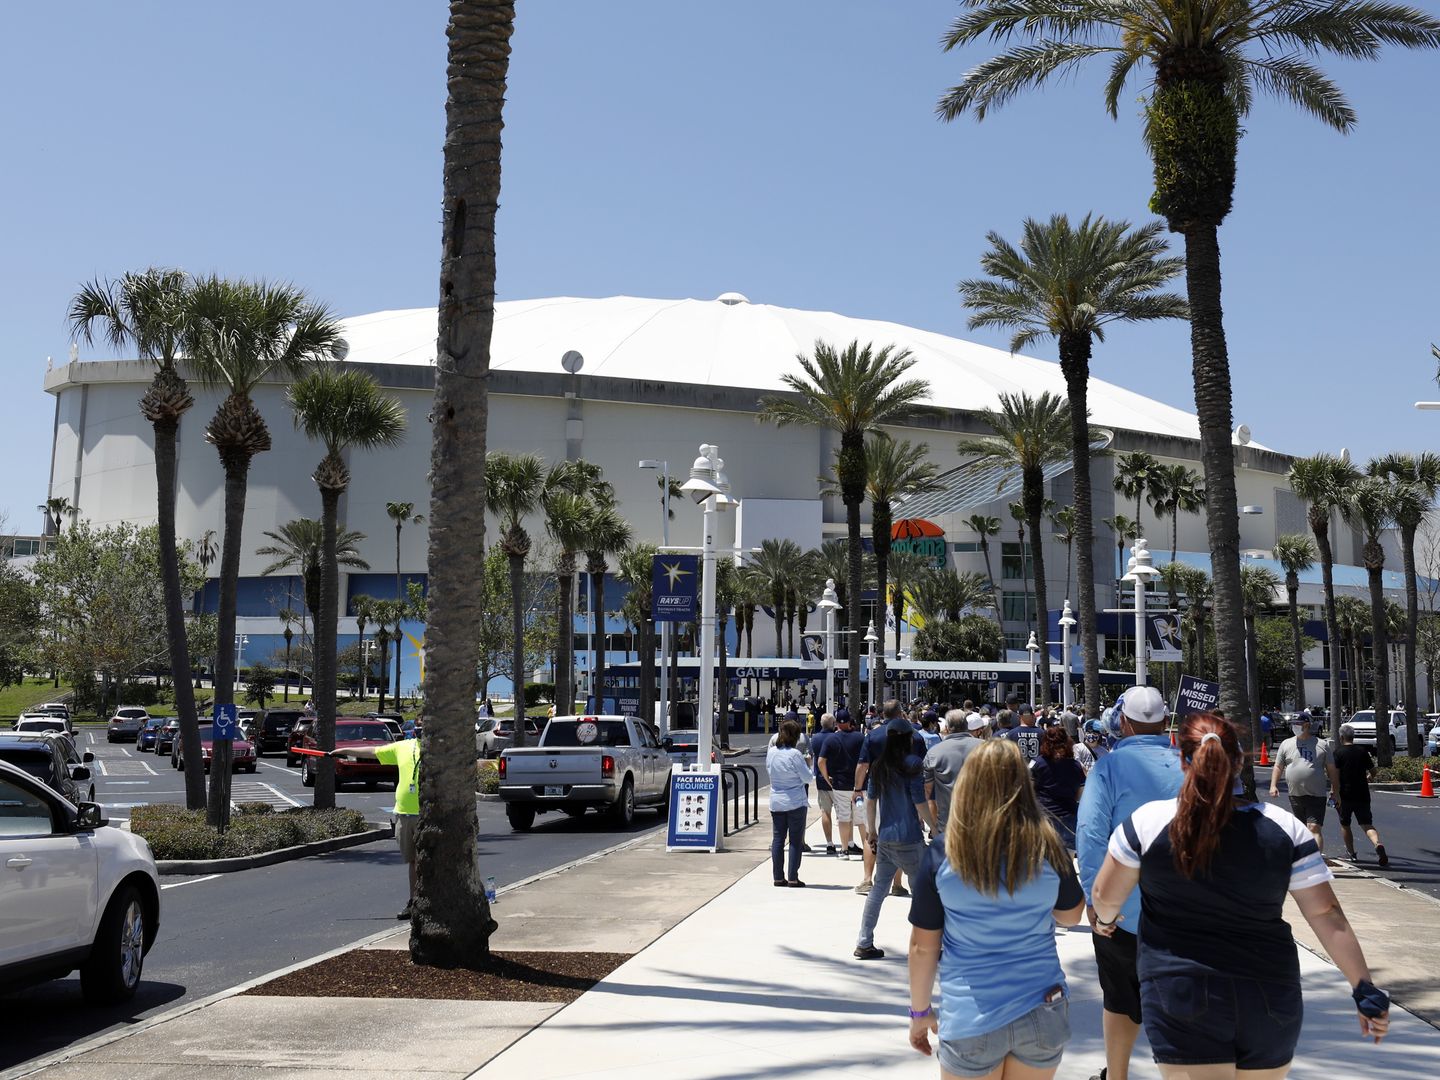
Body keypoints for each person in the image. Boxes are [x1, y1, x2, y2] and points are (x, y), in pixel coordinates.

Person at [1092, 713, 1390, 1078]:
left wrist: (1105, 922)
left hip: (1181, 992)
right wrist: (1363, 988)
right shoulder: (1285, 829)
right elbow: (1327, 914)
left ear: (1182, 759)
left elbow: (1106, 897)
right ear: (1239, 761)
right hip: (1269, 995)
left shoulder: (1146, 824)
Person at [907, 739, 1085, 1078]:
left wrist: (920, 1013)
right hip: (1042, 1006)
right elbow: (1071, 915)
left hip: (971, 1015)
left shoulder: (946, 851)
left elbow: (922, 946)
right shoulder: (1046, 843)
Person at [1075, 685, 1183, 1080]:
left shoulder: (1108, 768)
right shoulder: (1190, 765)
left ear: (1123, 721)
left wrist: (1095, 900)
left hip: (1124, 913)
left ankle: (1116, 1076)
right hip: (1187, 912)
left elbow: (1089, 836)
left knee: (1120, 998)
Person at [854, 715, 936, 959]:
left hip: (886, 837)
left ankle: (864, 941)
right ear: (907, 739)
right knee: (923, 892)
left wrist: (871, 830)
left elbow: (871, 801)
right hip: (910, 837)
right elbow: (919, 801)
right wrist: (934, 827)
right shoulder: (912, 764)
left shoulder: (879, 766)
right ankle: (925, 945)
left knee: (878, 890)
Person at [331, 724, 423, 919]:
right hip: (405, 814)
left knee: (428, 863)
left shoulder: (441, 750)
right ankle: (414, 902)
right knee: (413, 862)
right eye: (419, 726)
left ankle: (430, 903)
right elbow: (372, 751)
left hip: (428, 815)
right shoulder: (403, 746)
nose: (421, 729)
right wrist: (344, 751)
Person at [1269, 711, 1340, 853]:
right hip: (1295, 794)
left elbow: (1332, 770)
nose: (1294, 727)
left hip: (1316, 794)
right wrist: (1273, 785)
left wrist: (1335, 791)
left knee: (1314, 827)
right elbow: (1278, 766)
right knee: (1301, 829)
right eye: (1293, 724)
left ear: (1307, 725)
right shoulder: (1286, 744)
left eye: (1297, 724)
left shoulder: (1321, 744)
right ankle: (1304, 860)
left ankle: (1316, 861)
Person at [1333, 723, 1388, 866]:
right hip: (1362, 793)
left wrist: (1334, 792)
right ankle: (1378, 844)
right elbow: (1373, 771)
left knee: (1345, 824)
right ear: (1353, 736)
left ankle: (1351, 853)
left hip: (1345, 794)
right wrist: (1368, 778)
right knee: (1366, 824)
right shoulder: (1362, 751)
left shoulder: (1338, 753)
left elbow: (1335, 776)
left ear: (1341, 737)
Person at [765, 719, 810, 887]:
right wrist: (809, 766)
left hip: (776, 800)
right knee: (795, 840)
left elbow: (769, 770)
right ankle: (793, 877)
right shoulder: (795, 754)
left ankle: (778, 877)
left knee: (778, 839)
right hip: (795, 801)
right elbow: (807, 778)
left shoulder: (771, 752)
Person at [923, 709, 984, 832]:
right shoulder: (985, 747)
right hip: (981, 823)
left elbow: (926, 791)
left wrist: (932, 827)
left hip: (947, 825)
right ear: (966, 726)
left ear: (946, 727)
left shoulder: (934, 752)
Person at [1031, 726, 1086, 850]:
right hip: (1069, 817)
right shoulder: (1076, 766)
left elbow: (1028, 790)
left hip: (1043, 817)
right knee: (1068, 861)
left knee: (1044, 859)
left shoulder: (1037, 763)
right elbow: (1080, 795)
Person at [819, 711, 865, 860]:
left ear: (836, 723)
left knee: (844, 818)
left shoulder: (831, 739)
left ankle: (844, 851)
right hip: (860, 786)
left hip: (840, 786)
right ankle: (868, 850)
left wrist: (827, 779)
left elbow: (821, 761)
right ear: (850, 722)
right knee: (861, 818)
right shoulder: (860, 737)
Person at [810, 713, 838, 855]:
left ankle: (829, 842)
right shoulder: (836, 737)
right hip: (837, 779)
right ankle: (849, 842)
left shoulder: (814, 739)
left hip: (821, 779)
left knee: (825, 812)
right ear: (833, 724)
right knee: (845, 814)